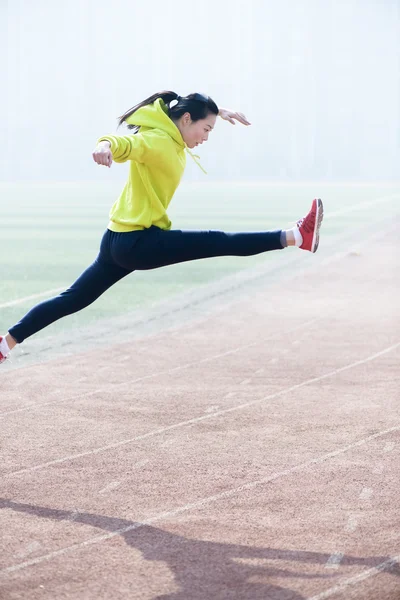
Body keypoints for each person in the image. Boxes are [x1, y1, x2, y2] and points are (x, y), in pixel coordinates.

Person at [0, 91, 323, 364]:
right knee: (217, 242)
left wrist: (218, 111)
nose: (206, 137)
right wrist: (105, 146)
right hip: (138, 243)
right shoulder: (158, 141)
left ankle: (5, 345)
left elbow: (179, 109)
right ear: (186, 121)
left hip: (115, 239)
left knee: (72, 298)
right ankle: (296, 236)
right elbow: (127, 144)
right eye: (206, 129)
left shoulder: (170, 130)